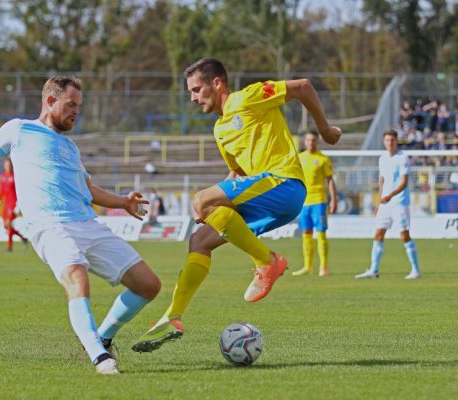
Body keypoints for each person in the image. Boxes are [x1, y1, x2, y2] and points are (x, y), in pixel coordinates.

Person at [0, 76, 162, 374]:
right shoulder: (19, 129)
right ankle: (100, 358)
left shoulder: (71, 148)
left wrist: (123, 202)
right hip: (50, 225)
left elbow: (89, 191)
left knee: (148, 285)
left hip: (87, 223)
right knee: (77, 278)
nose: (76, 111)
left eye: (79, 106)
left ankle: (102, 337)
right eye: (70, 105)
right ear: (50, 101)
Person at [132, 58, 341, 353]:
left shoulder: (247, 97)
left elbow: (303, 87)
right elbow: (237, 175)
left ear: (217, 83)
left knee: (200, 200)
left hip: (285, 184)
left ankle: (267, 261)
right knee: (199, 241)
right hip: (265, 198)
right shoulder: (220, 130)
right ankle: (173, 315)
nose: (192, 98)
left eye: (196, 89)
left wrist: (326, 130)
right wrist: (216, 212)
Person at [355, 129, 421, 280]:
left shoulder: (403, 158)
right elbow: (382, 180)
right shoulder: (382, 158)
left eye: (392, 140)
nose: (390, 143)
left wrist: (390, 195)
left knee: (404, 236)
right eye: (387, 140)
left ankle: (416, 270)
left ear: (396, 141)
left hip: (399, 203)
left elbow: (404, 182)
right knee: (378, 234)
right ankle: (373, 270)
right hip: (385, 204)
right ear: (384, 142)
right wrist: (380, 200)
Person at [292, 131, 337, 276]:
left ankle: (323, 267)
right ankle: (307, 266)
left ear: (317, 142)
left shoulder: (323, 159)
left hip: (319, 201)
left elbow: (330, 180)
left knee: (321, 233)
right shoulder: (299, 158)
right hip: (304, 202)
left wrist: (333, 199)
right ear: (305, 142)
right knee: (306, 233)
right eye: (308, 140)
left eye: (313, 140)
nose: (311, 142)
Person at [0, 158, 28, 252]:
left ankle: (9, 247)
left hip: (13, 203)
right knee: (6, 225)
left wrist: (18, 204)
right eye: (6, 165)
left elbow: (20, 191)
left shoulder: (15, 176)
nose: (7, 167)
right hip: (6, 203)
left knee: (8, 223)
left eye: (9, 165)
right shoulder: (3, 176)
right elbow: (1, 191)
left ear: (12, 166)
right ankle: (23, 238)